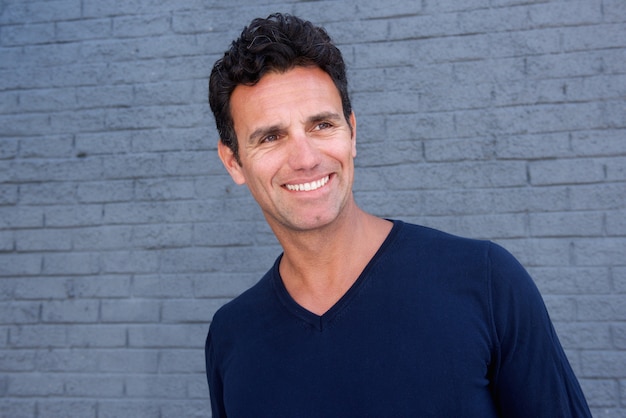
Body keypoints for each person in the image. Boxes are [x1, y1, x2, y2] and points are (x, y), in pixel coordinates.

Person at [205, 13, 591, 417]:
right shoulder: (233, 336)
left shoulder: (484, 282)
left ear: (352, 133)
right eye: (271, 136)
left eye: (322, 125)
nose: (305, 159)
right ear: (233, 162)